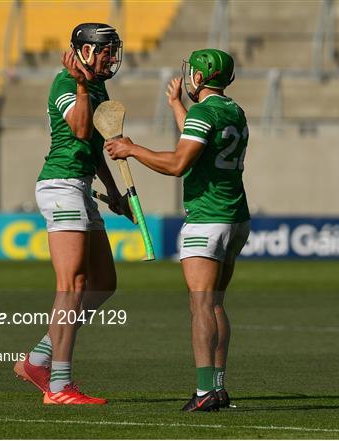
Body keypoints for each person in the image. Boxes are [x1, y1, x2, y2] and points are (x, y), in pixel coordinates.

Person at [105, 49, 251, 412]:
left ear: (200, 78)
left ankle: (204, 393)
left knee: (201, 304)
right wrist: (174, 105)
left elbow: (178, 163)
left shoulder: (203, 113)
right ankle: (217, 387)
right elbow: (198, 140)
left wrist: (132, 149)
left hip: (207, 218)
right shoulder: (234, 111)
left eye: (192, 74)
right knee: (215, 303)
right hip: (236, 219)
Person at [14, 23, 124, 405]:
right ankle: (59, 386)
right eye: (105, 50)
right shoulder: (66, 83)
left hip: (81, 187)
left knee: (103, 284)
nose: (111, 57)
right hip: (61, 186)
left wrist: (113, 191)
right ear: (84, 51)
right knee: (73, 286)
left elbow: (93, 147)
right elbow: (78, 131)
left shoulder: (97, 86)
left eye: (113, 50)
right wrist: (79, 84)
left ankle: (38, 358)